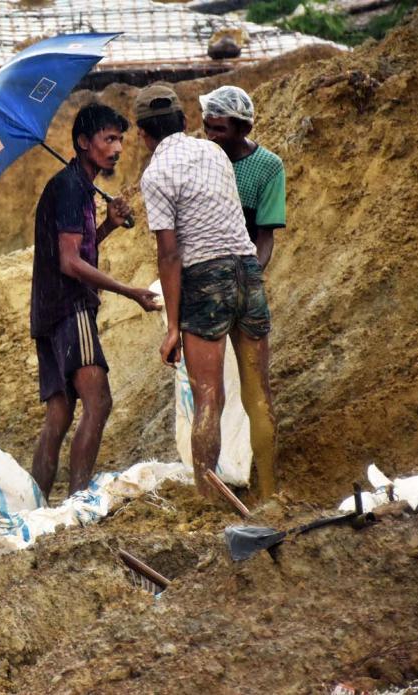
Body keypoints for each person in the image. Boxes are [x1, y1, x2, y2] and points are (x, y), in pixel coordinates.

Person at [135, 84, 277, 501]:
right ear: (183, 122)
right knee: (259, 393)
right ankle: (271, 494)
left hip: (205, 282)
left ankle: (209, 502)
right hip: (248, 271)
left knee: (208, 399)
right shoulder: (214, 153)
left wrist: (172, 328)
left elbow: (170, 254)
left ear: (143, 135)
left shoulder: (156, 174)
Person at [29, 103, 161, 501]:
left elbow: (71, 252)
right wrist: (130, 291)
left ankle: (37, 502)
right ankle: (78, 501)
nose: (117, 148)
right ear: (84, 142)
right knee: (98, 402)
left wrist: (106, 226)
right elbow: (71, 264)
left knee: (60, 413)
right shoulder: (71, 188)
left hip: (47, 310)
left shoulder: (76, 187)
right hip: (70, 309)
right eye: (108, 139)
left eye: (119, 139)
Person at [200, 85, 286, 268]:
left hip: (240, 266)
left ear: (244, 129)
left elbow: (265, 236)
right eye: (207, 127)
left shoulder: (268, 167)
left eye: (219, 129)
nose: (210, 136)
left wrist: (250, 277)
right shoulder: (200, 159)